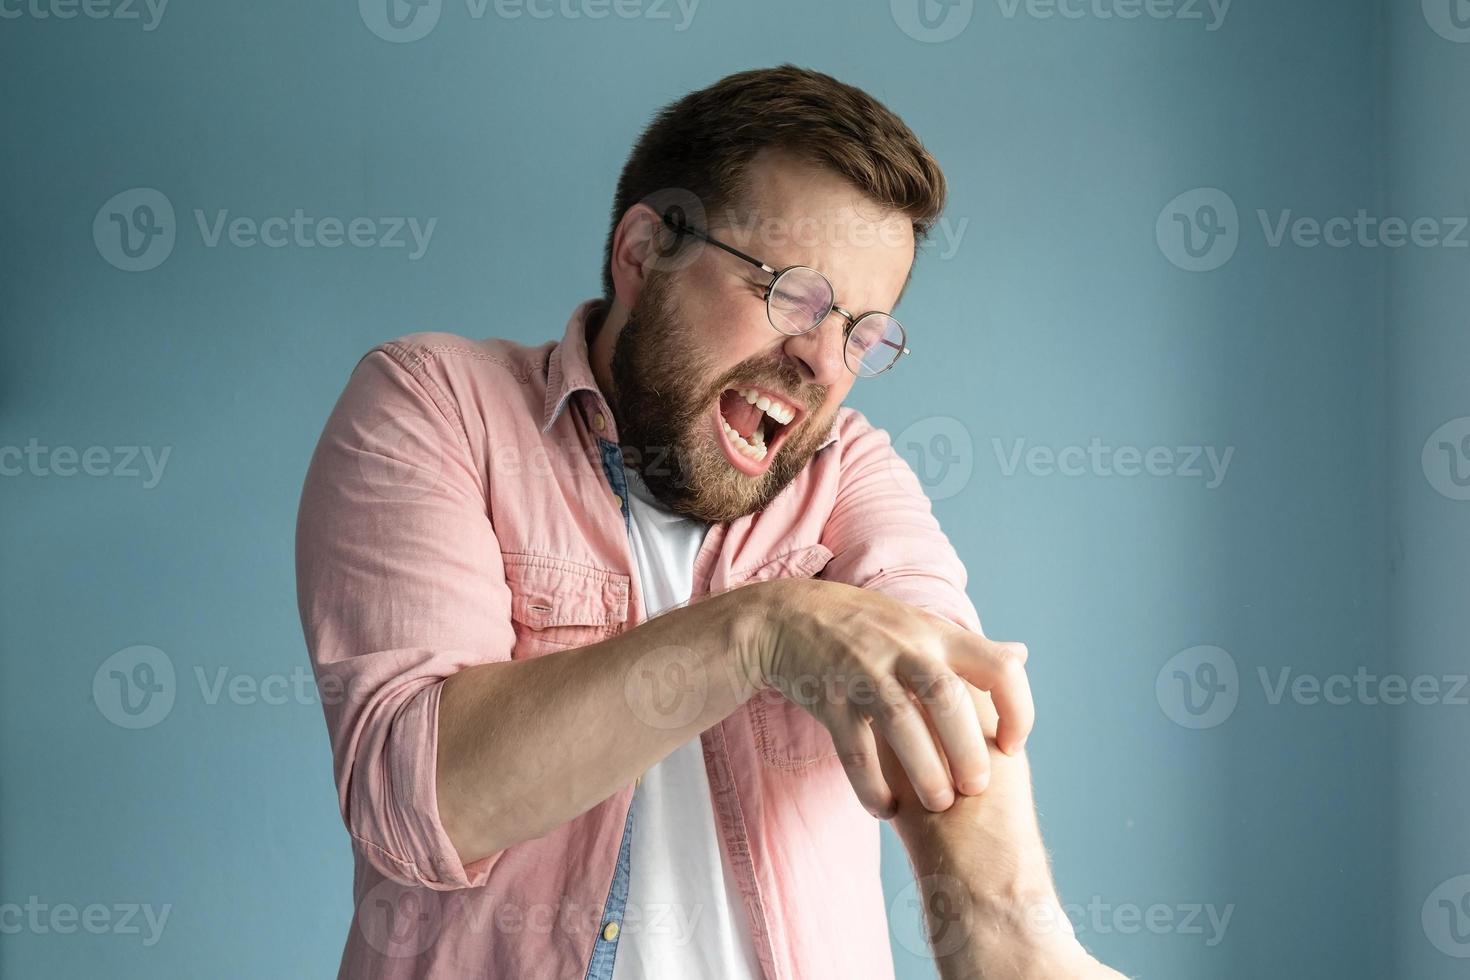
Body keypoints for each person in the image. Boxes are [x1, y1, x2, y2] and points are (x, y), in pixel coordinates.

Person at [295, 63, 1122, 978]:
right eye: (796, 295)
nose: (820, 361)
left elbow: (936, 688)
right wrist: (764, 629)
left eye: (860, 331)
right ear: (645, 252)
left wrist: (1009, 948)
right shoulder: (436, 403)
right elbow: (422, 798)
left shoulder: (849, 470)